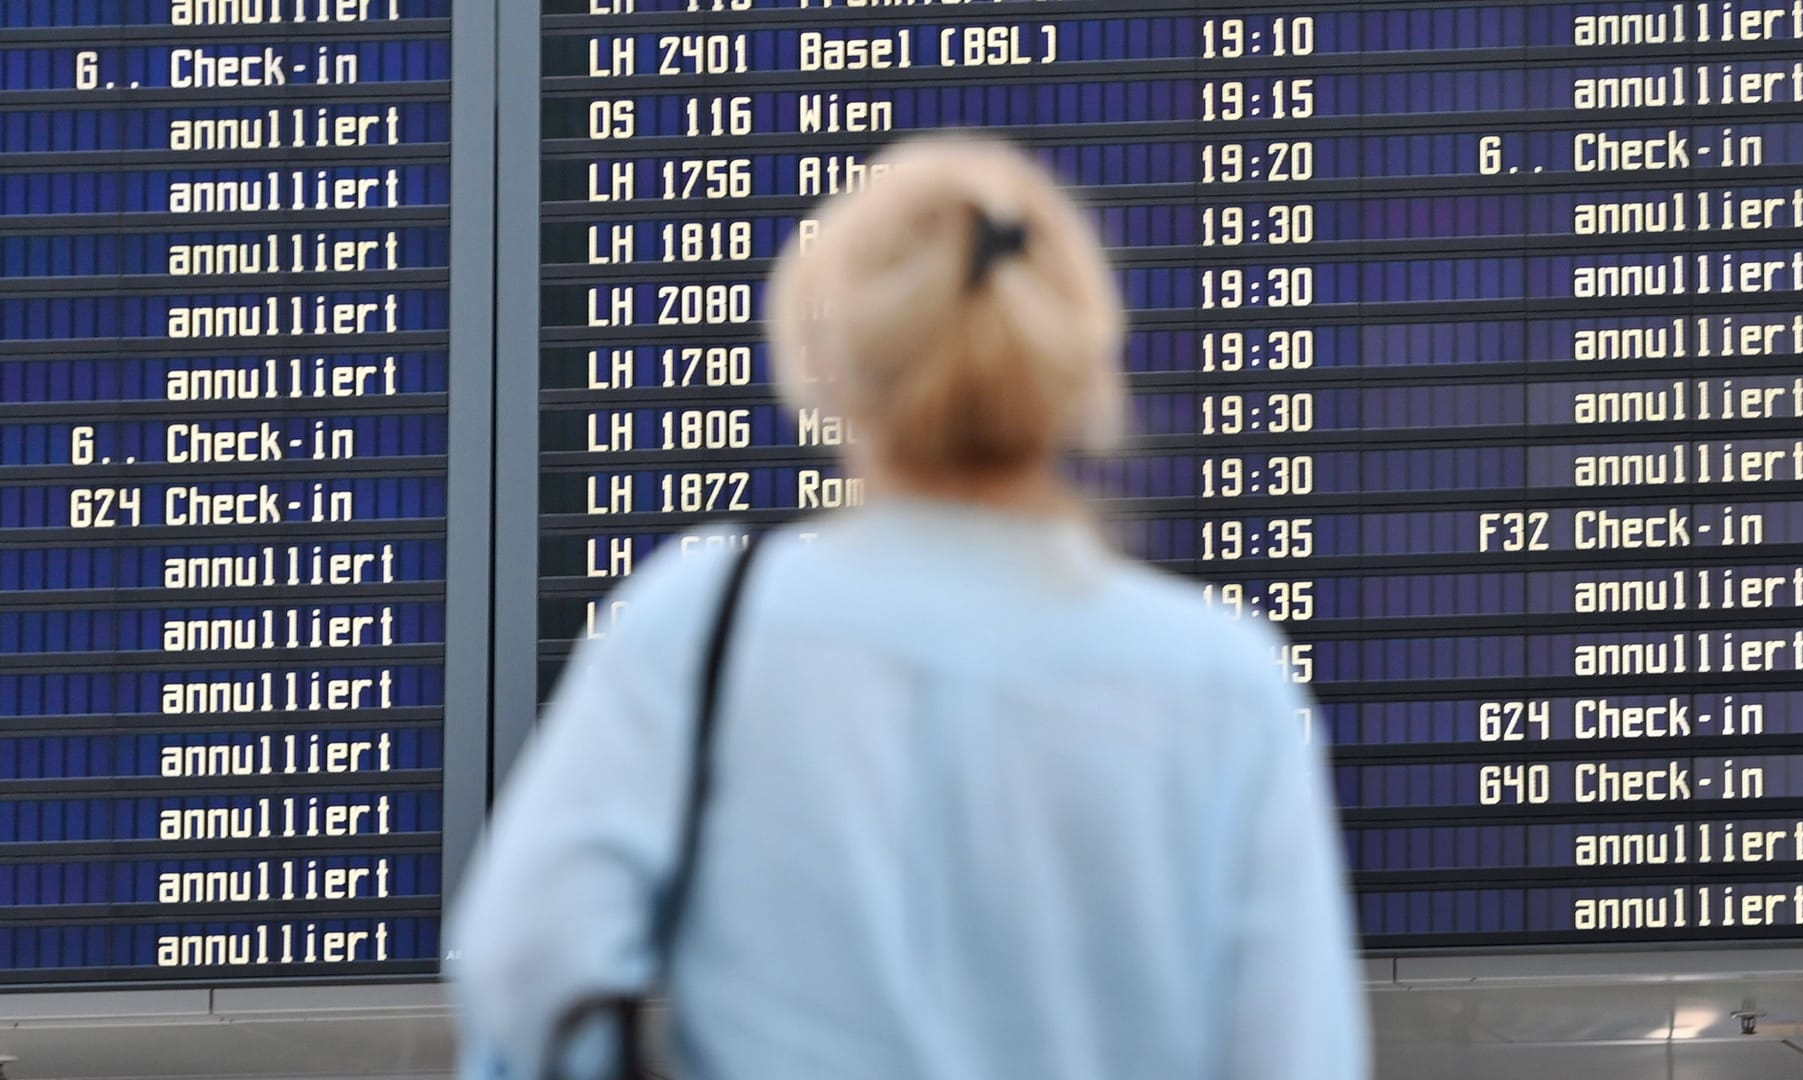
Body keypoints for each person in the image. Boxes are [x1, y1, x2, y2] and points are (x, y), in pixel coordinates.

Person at [447, 133, 1370, 1080]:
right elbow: (1294, 1050)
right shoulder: (1221, 676)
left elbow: (531, 968)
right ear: (1079, 360)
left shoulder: (705, 618)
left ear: (826, 360)